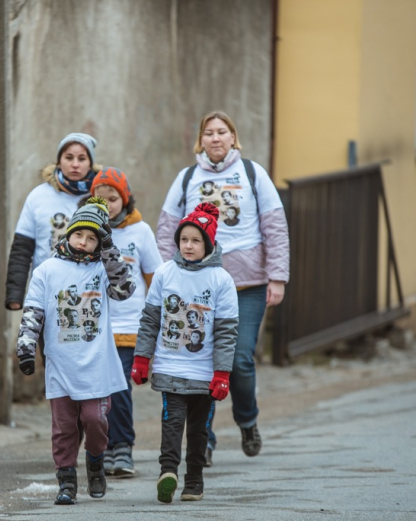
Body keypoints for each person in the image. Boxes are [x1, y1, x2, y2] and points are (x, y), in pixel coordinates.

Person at [156, 110, 290, 466]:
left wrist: (277, 277)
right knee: (201, 364)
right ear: (201, 140)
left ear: (234, 138)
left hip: (246, 285)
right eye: (209, 133)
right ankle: (206, 441)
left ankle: (247, 420)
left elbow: (275, 227)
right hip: (195, 289)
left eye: (222, 132)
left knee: (239, 359)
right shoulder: (186, 178)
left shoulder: (252, 173)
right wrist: (163, 277)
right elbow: (166, 228)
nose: (215, 138)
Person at [16, 196, 136, 506]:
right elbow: (33, 311)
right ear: (68, 233)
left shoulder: (102, 269)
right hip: (61, 362)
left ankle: (95, 461)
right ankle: (66, 481)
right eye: (79, 234)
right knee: (64, 427)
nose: (84, 242)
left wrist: (109, 248)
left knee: (95, 420)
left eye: (92, 237)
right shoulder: (46, 270)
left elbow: (124, 290)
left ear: (100, 243)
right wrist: (26, 347)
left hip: (96, 363)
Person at [132, 202, 238, 503]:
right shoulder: (165, 273)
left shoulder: (222, 281)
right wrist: (142, 358)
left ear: (209, 244)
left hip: (205, 373)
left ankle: (194, 480)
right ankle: (168, 472)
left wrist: (222, 373)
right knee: (172, 421)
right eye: (184, 239)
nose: (188, 246)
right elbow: (151, 319)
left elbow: (226, 332)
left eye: (196, 240)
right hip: (170, 367)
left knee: (199, 429)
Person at [88, 167, 163, 478]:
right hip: (96, 327)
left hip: (130, 325)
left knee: (119, 387)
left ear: (125, 198)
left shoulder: (140, 231)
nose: (107, 203)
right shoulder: (85, 231)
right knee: (98, 391)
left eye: (113, 197)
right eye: (100, 198)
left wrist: (156, 323)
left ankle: (123, 447)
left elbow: (155, 278)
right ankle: (102, 448)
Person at [6, 132, 102, 369]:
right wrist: (15, 294)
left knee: (88, 364)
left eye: (82, 158)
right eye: (69, 157)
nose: (75, 164)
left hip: (90, 295)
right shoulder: (39, 197)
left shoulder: (99, 196)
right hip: (49, 293)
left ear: (91, 163)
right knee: (54, 362)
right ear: (59, 162)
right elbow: (22, 247)